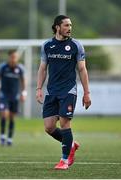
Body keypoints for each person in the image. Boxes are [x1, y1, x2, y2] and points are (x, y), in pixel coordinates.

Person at [36, 15, 91, 170]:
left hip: (68, 90)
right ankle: (71, 144)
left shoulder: (76, 46)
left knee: (65, 122)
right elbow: (42, 68)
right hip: (51, 91)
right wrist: (39, 88)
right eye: (66, 25)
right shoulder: (47, 45)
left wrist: (87, 93)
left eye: (70, 25)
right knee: (49, 127)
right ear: (57, 27)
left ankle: (64, 160)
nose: (69, 28)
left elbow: (82, 69)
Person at [0, 49, 27, 146]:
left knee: (12, 117)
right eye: (12, 57)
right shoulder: (3, 67)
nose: (14, 59)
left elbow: (23, 81)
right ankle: (2, 136)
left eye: (15, 57)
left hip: (15, 95)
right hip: (3, 94)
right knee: (4, 114)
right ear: (9, 57)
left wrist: (23, 93)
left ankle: (9, 138)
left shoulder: (20, 68)